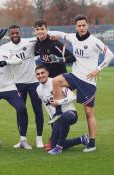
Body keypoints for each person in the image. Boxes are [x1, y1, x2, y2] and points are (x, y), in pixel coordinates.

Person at [51, 15, 114, 152]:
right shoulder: (73, 37)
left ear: (87, 26)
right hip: (74, 75)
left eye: (83, 25)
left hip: (88, 81)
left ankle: (92, 142)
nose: (81, 27)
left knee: (88, 112)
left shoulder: (94, 41)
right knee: (56, 81)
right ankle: (58, 112)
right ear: (76, 27)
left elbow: (110, 55)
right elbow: (61, 34)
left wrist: (98, 69)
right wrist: (48, 34)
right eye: (79, 25)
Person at [0, 24, 44, 148]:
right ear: (9, 35)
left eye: (16, 33)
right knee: (20, 111)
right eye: (12, 33)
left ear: (20, 33)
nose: (14, 35)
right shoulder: (4, 47)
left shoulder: (29, 42)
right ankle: (22, 139)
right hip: (18, 84)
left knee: (38, 110)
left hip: (34, 82)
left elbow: (43, 36)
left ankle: (39, 138)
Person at [35, 65, 89, 155]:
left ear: (47, 73)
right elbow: (47, 106)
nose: (40, 75)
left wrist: (59, 102)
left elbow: (73, 96)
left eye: (42, 73)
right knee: (52, 145)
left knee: (64, 117)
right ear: (36, 76)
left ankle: (59, 148)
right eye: (38, 74)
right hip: (57, 118)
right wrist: (53, 122)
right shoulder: (38, 89)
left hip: (70, 114)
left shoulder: (56, 82)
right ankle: (82, 139)